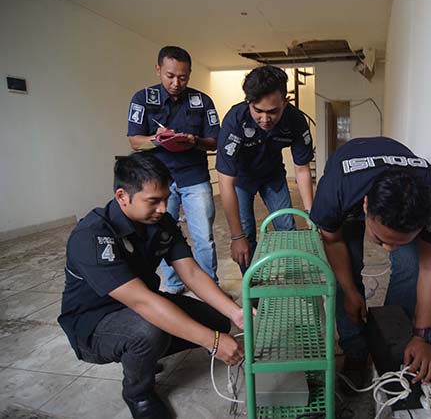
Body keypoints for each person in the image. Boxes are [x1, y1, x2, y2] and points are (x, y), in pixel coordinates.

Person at [58, 153, 244, 419]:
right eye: (153, 201)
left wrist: (236, 313)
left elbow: (190, 272)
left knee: (216, 319)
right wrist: (212, 342)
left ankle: (143, 353)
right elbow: (142, 303)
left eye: (166, 198)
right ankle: (138, 393)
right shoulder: (92, 236)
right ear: (122, 196)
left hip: (140, 303)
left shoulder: (160, 222)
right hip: (95, 323)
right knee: (148, 332)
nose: (163, 208)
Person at [309, 136, 431, 388]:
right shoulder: (335, 191)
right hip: (350, 196)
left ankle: (395, 344)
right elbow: (333, 242)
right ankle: (356, 352)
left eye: (399, 241)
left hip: (391, 182)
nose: (388, 249)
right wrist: (351, 292)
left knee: (409, 267)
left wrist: (422, 336)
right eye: (381, 238)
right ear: (366, 206)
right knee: (347, 274)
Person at [127, 45, 220, 293]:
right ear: (158, 70)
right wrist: (157, 139)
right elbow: (135, 142)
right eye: (170, 76)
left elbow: (215, 142)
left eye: (183, 77)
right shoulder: (142, 99)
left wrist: (194, 141)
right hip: (158, 181)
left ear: (190, 74)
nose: (176, 83)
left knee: (203, 237)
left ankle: (210, 287)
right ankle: (174, 285)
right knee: (161, 235)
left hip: (194, 177)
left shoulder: (202, 101)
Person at [216, 65, 314, 272]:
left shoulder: (295, 120)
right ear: (248, 102)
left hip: (273, 175)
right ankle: (251, 285)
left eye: (273, 112)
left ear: (285, 102)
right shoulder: (235, 120)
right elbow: (225, 181)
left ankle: (292, 277)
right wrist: (236, 236)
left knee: (286, 228)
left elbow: (302, 169)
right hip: (241, 178)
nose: (265, 119)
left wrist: (310, 213)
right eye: (258, 110)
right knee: (245, 234)